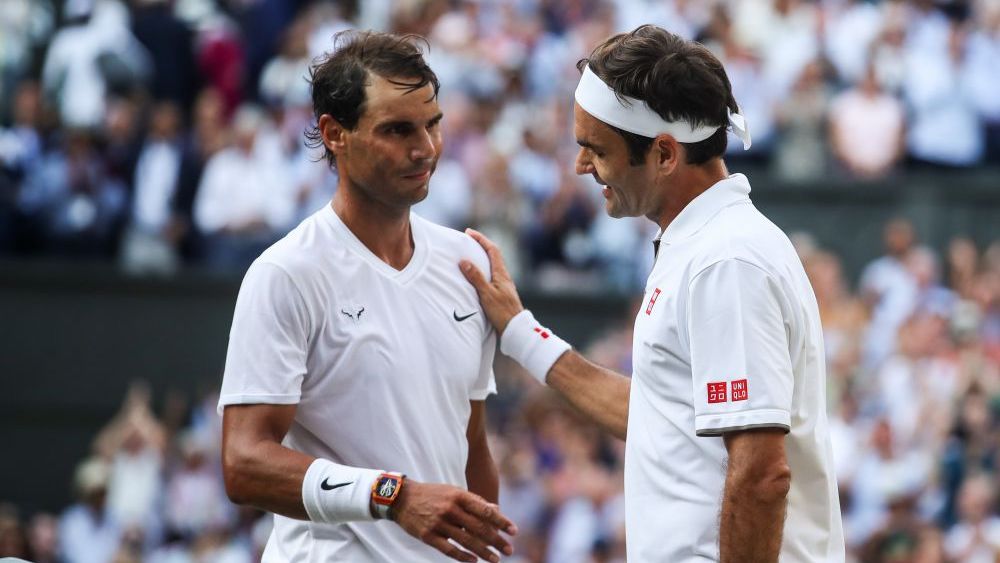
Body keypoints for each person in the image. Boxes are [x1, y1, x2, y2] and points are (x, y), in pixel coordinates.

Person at [460, 25, 844, 562]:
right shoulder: (704, 247)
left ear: (665, 154)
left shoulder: (725, 260)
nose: (581, 166)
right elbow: (660, 417)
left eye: (596, 149)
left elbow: (762, 475)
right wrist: (522, 332)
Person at [219, 31, 516, 563]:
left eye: (432, 124)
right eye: (397, 130)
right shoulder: (286, 273)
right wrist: (392, 497)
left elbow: (470, 446)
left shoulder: (466, 264)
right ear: (335, 134)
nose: (425, 148)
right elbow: (244, 463)